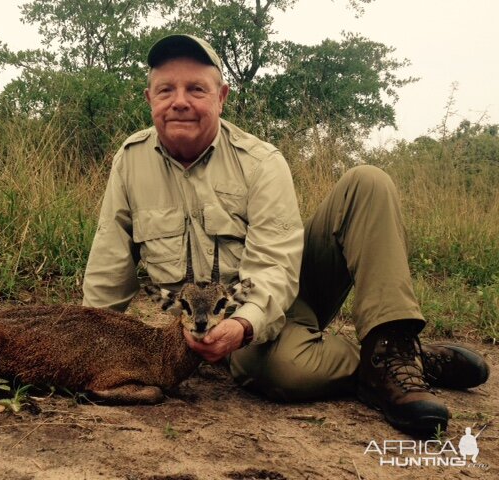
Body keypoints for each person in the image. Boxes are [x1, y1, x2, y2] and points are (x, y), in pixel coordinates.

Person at [82, 34, 490, 435]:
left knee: (368, 182)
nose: (180, 101)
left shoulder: (261, 161)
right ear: (149, 98)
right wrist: (86, 344)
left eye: (196, 89)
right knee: (281, 368)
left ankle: (394, 352)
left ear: (221, 97)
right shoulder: (130, 161)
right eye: (166, 89)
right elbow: (110, 261)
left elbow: (274, 267)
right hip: (209, 318)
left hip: (280, 296)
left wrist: (242, 325)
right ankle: (398, 361)